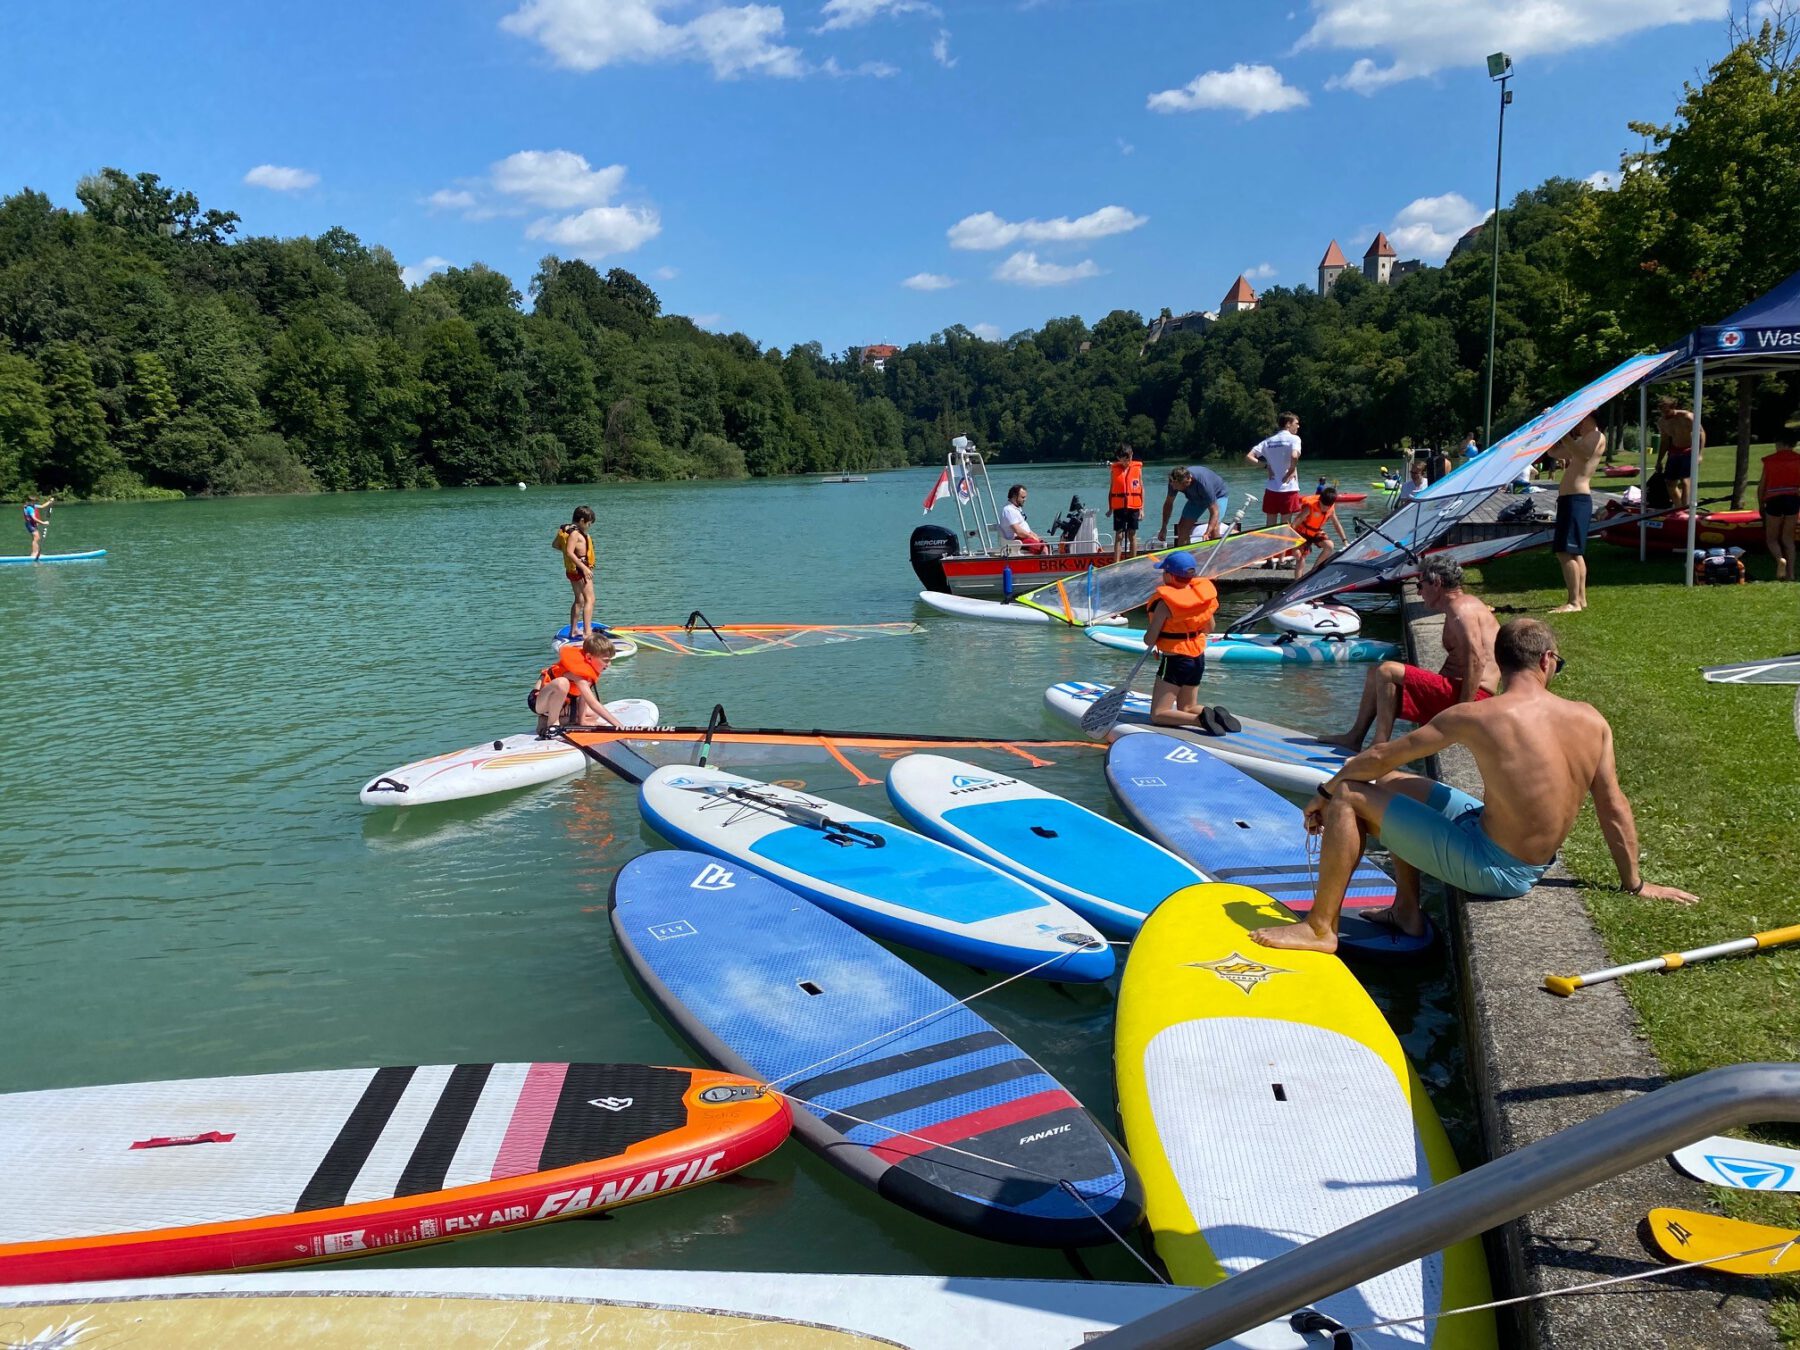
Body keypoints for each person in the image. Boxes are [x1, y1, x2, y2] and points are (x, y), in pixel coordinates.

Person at [1252, 618, 1697, 953]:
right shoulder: (1591, 719)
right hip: (1520, 852)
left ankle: (1319, 927)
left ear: (1502, 664)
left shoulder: (1477, 716)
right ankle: (1406, 911)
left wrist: (1326, 792)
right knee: (1391, 784)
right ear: (1545, 660)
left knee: (1351, 794)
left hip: (1493, 867)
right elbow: (1612, 806)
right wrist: (1634, 884)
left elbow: (1378, 753)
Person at [1325, 556, 1498, 751]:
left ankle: (1379, 748)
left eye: (1420, 584)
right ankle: (1355, 737)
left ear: (1437, 583)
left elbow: (1476, 659)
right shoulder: (1465, 605)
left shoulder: (1460, 608)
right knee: (1375, 673)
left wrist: (1462, 713)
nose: (1418, 592)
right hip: (1460, 690)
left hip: (1473, 697)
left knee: (1387, 670)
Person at [1142, 551, 1238, 735]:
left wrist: (1149, 637)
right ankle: (1214, 716)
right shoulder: (1203, 598)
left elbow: (1150, 639)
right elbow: (1210, 627)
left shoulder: (1164, 604)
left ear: (1169, 576)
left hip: (1175, 660)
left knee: (1158, 714)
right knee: (1187, 706)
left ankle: (1200, 720)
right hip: (1197, 658)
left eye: (1163, 572)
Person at [1548, 412, 1604, 613]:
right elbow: (1555, 453)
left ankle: (1573, 602)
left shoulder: (1596, 437)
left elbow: (1583, 455)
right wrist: (1552, 427)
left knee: (1566, 552)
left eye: (1580, 421)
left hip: (1576, 499)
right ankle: (1581, 599)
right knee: (1574, 553)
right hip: (1571, 499)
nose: (1577, 426)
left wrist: (1565, 434)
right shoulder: (1582, 439)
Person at [531, 634, 627, 735]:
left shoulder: (588, 673)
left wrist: (582, 721)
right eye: (606, 660)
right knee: (562, 683)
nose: (609, 664)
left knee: (593, 715)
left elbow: (583, 698)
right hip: (539, 702)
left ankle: (548, 720)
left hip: (562, 703)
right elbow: (593, 703)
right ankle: (552, 724)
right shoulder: (576, 674)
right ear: (589, 657)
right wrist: (619, 726)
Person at [1245, 412, 1302, 525]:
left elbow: (1249, 457)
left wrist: (1266, 466)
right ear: (1288, 424)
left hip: (1271, 489)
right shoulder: (1294, 439)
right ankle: (1284, 543)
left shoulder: (1268, 441)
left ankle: (1270, 543)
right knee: (1285, 525)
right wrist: (1291, 469)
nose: (1298, 426)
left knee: (1270, 525)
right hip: (1288, 489)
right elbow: (1294, 455)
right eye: (1296, 423)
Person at [1157, 464, 1230, 546]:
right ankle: (1185, 555)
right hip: (1196, 498)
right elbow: (1168, 504)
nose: (1173, 488)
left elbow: (1214, 512)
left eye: (1176, 486)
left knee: (1214, 528)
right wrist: (1164, 527)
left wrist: (1207, 532)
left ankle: (1217, 555)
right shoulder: (1173, 482)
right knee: (1182, 528)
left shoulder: (1203, 484)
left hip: (1218, 495)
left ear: (1187, 482)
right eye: (1172, 484)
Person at [1759, 435, 1800, 581]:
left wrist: (1760, 504)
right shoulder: (1798, 459)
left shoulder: (1770, 460)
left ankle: (1779, 559)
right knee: (1788, 539)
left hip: (1773, 499)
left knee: (1772, 539)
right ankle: (1791, 574)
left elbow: (1762, 485)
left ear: (1781, 443)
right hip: (1792, 499)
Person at [1656, 398, 1705, 510]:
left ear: (1673, 408)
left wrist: (1699, 453)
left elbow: (1701, 433)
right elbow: (1664, 441)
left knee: (1685, 480)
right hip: (1674, 452)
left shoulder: (1686, 417)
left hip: (1689, 450)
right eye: (1662, 412)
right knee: (1669, 482)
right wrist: (1659, 461)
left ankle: (1686, 509)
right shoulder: (1662, 422)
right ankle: (1679, 507)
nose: (1664, 414)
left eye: (1667, 411)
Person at [558, 506, 597, 641]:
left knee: (579, 600)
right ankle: (587, 633)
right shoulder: (575, 534)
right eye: (589, 523)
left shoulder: (568, 531)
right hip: (580, 569)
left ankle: (574, 630)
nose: (589, 526)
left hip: (573, 570)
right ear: (582, 520)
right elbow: (569, 552)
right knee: (590, 600)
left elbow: (556, 545)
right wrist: (584, 568)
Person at [1291, 486, 1349, 577]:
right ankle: (1297, 583)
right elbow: (1294, 524)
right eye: (1322, 506)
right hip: (1301, 533)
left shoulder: (1331, 508)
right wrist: (1294, 546)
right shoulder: (1309, 507)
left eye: (1327, 507)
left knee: (1329, 545)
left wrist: (1344, 541)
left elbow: (1337, 524)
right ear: (1319, 501)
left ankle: (1313, 572)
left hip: (1315, 532)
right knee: (1301, 558)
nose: (1324, 509)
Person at [1108, 445, 1145, 561]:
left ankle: (1133, 562)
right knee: (1119, 535)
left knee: (1132, 534)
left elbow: (1141, 488)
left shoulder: (1137, 469)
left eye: (1128, 459)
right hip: (1119, 507)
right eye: (1123, 460)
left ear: (1132, 455)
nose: (1126, 463)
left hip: (1134, 506)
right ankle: (1116, 564)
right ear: (1119, 459)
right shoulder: (1114, 470)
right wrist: (1110, 508)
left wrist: (1142, 509)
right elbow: (1111, 489)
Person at [999, 484, 1046, 553]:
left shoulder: (1016, 509)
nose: (1025, 499)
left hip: (1023, 538)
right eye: (1023, 497)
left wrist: (1034, 535)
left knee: (1047, 545)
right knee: (1043, 548)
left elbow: (1023, 526)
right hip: (1017, 540)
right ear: (1015, 496)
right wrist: (1031, 536)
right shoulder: (1008, 510)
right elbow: (1018, 531)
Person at [21, 494, 53, 562]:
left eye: (35, 501)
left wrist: (49, 501)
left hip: (31, 524)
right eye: (33, 501)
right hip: (30, 524)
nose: (34, 502)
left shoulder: (32, 505)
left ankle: (37, 552)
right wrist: (43, 523)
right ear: (30, 501)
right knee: (36, 538)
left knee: (37, 537)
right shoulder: (30, 508)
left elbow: (42, 506)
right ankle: (33, 554)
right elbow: (34, 518)